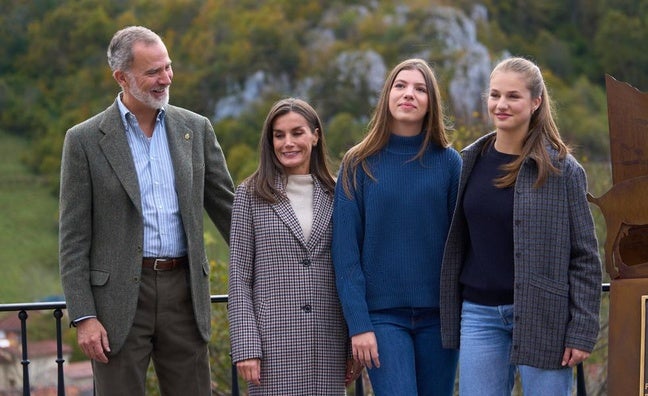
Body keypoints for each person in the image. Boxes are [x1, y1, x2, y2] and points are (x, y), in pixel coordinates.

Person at [58, 26, 235, 395]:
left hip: (185, 294)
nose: (166, 78)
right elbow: (73, 239)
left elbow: (230, 211)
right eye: (153, 71)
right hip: (116, 304)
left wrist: (279, 262)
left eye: (168, 67)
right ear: (121, 77)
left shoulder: (196, 128)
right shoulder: (84, 140)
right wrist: (85, 316)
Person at [440, 57, 601, 395]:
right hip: (479, 317)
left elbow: (585, 258)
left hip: (544, 316)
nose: (501, 104)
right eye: (495, 95)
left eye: (513, 96)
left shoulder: (563, 170)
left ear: (536, 102)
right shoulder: (468, 161)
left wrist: (582, 331)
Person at [332, 58, 461, 395]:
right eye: (400, 86)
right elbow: (345, 255)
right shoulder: (357, 163)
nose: (409, 94)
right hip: (382, 318)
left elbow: (462, 244)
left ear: (431, 102)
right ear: (387, 95)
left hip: (439, 320)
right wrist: (359, 325)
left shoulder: (449, 163)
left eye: (420, 89)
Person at [227, 98, 362, 395]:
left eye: (297, 133)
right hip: (270, 348)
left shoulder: (339, 192)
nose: (288, 142)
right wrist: (246, 346)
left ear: (315, 136)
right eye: (279, 135)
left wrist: (354, 339)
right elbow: (238, 278)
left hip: (328, 346)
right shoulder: (249, 195)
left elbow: (351, 271)